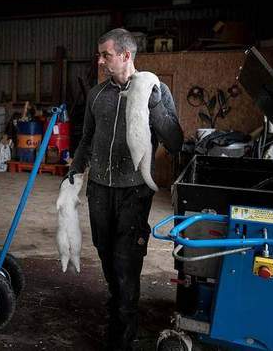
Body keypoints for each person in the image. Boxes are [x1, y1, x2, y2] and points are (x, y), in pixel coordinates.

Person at [66, 28, 183, 350]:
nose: (100, 60)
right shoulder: (97, 95)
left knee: (125, 260)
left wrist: (156, 104)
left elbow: (174, 141)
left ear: (126, 55)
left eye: (106, 55)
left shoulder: (154, 90)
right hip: (100, 190)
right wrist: (74, 171)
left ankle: (124, 331)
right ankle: (119, 303)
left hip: (134, 191)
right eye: (100, 55)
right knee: (105, 253)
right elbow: (86, 140)